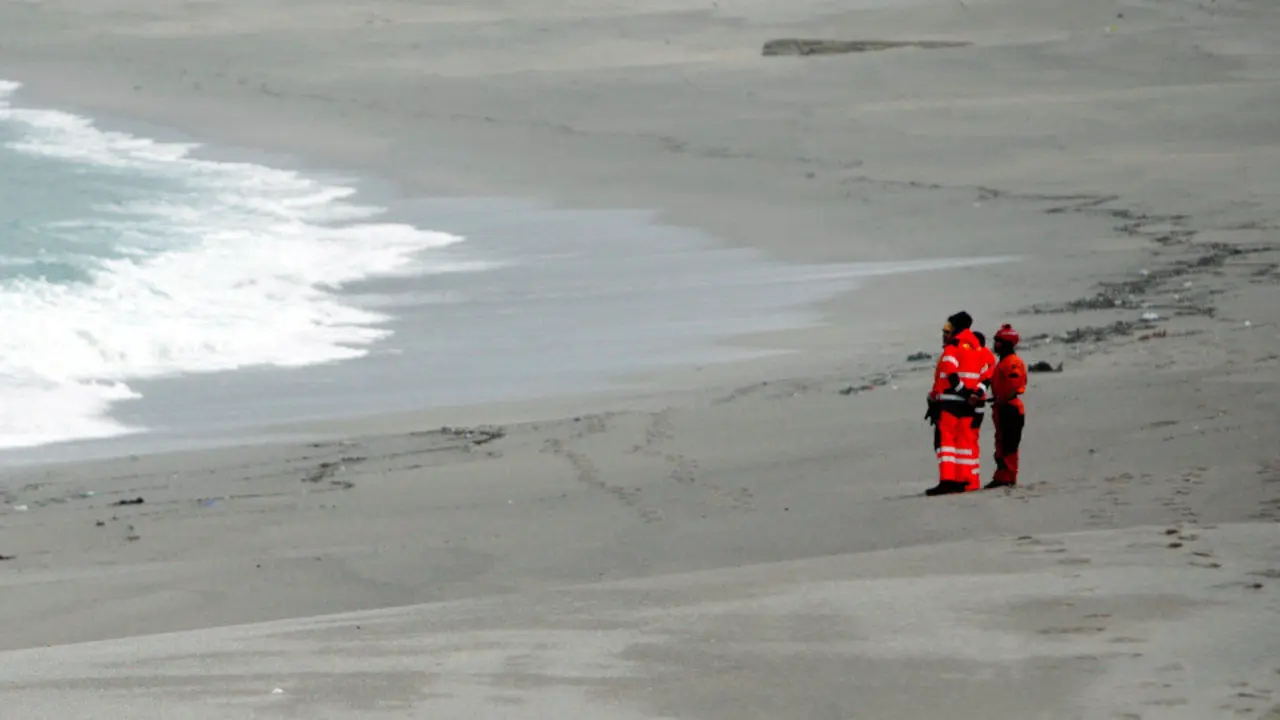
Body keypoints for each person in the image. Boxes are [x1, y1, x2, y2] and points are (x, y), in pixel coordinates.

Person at [924, 311, 987, 496]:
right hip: (968, 404)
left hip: (951, 402)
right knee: (963, 445)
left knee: (947, 444)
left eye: (948, 328)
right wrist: (975, 393)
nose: (945, 332)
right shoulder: (977, 347)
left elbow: (950, 371)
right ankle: (963, 481)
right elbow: (985, 375)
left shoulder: (954, 345)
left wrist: (963, 392)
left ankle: (947, 481)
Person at [985, 323, 1027, 488]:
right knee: (1002, 443)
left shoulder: (1012, 362)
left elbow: (1013, 384)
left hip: (1010, 408)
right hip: (1003, 407)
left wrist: (1002, 399)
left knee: (1009, 444)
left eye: (998, 341)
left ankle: (1008, 476)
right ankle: (1003, 476)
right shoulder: (1003, 362)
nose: (995, 344)